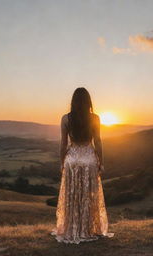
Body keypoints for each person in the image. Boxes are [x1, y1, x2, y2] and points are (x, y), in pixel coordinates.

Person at [51, 87, 114, 244]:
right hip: (89, 159)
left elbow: (63, 144)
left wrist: (61, 163)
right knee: (88, 196)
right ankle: (88, 228)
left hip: (72, 160)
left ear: (73, 101)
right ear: (88, 102)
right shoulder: (95, 118)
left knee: (72, 197)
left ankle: (72, 228)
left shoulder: (66, 119)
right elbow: (98, 141)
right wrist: (101, 162)